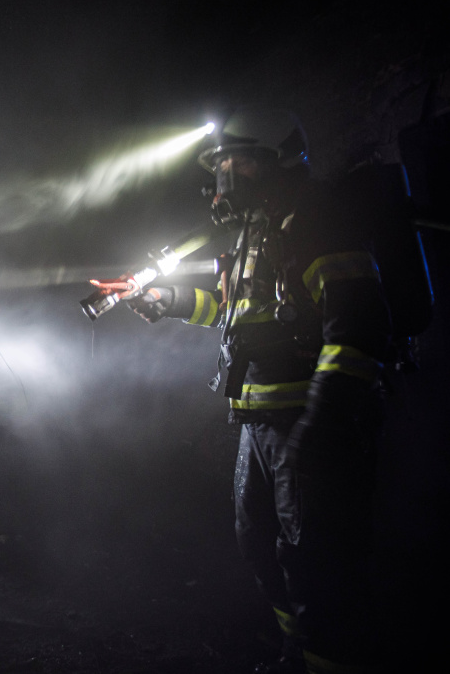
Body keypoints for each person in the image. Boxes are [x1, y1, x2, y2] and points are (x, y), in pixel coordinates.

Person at [122, 109, 390, 674]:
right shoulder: (253, 234)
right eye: (219, 166)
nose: (225, 177)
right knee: (261, 547)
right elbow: (234, 316)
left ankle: (329, 662)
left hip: (308, 426)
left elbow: (358, 324)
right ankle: (298, 654)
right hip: (259, 425)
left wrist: (323, 421)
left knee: (317, 560)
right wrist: (171, 302)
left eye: (237, 163)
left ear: (277, 162)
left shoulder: (314, 222)